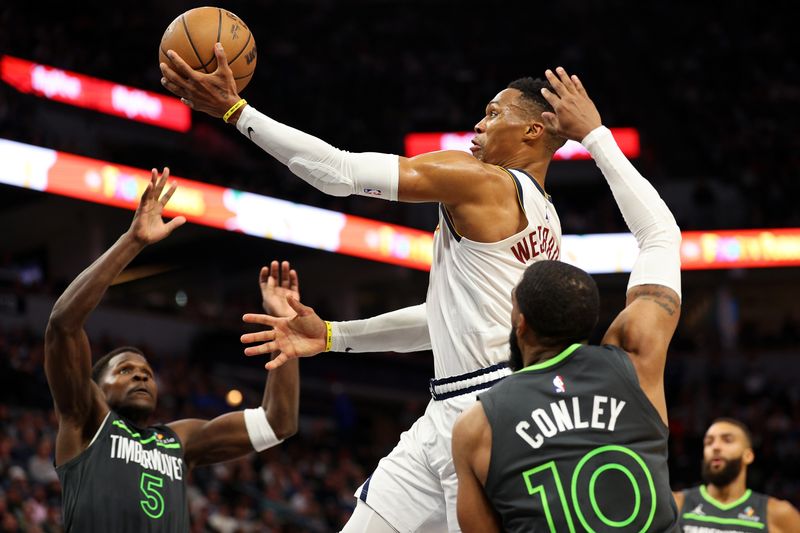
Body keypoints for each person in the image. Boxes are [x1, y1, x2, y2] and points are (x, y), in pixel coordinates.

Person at [162, 44, 566, 533]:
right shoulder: (548, 221)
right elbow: (436, 321)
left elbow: (341, 173)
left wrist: (235, 110)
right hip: (452, 407)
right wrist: (333, 335)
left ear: (533, 130)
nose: (478, 125)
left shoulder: (484, 182)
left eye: (493, 114)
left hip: (492, 412)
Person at [450, 66, 683, 532]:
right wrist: (594, 135)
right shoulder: (635, 358)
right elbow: (660, 235)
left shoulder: (477, 428)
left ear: (518, 323)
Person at [44, 168, 300, 532]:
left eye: (146, 372)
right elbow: (63, 325)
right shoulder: (84, 418)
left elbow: (279, 422)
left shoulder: (180, 440)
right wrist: (133, 241)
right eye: (125, 370)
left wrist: (285, 336)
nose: (140, 374)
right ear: (95, 387)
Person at [674, 418, 800, 532]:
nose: (715, 447)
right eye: (709, 442)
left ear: (748, 456)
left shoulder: (777, 513)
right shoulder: (677, 504)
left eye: (727, 440)